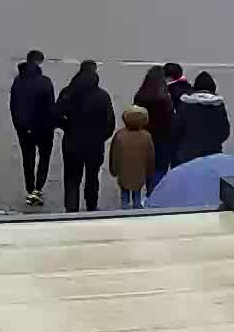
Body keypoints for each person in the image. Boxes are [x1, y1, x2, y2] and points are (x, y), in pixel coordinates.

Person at [57, 60, 115, 212]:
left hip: (72, 144)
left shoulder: (67, 93)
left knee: (71, 179)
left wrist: (67, 127)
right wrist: (100, 137)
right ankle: (91, 206)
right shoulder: (103, 96)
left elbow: (55, 116)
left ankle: (71, 209)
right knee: (92, 178)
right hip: (94, 146)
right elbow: (110, 124)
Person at [9, 49, 57, 204]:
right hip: (43, 129)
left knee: (27, 158)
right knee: (44, 157)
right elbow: (50, 108)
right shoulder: (45, 82)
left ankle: (30, 188)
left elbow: (13, 106)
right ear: (39, 63)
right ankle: (38, 188)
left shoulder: (18, 81)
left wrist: (18, 125)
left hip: (23, 128)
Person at [174, 71, 232, 162]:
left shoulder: (186, 104)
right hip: (212, 153)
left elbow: (176, 129)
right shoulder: (218, 105)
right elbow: (224, 131)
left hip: (188, 154)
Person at [133, 66, 174, 191]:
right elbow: (170, 120)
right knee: (160, 171)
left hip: (144, 138)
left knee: (146, 169)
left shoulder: (140, 96)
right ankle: (154, 197)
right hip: (163, 139)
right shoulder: (165, 99)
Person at [108, 106, 155, 210]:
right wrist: (150, 170)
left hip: (124, 172)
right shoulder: (146, 136)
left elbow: (114, 154)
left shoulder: (120, 135)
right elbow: (150, 156)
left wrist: (114, 170)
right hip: (140, 172)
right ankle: (137, 206)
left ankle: (125, 206)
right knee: (137, 190)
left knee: (124, 191)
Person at [161, 63, 190, 175]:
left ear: (169, 77)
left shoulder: (168, 93)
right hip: (187, 139)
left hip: (171, 138)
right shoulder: (189, 90)